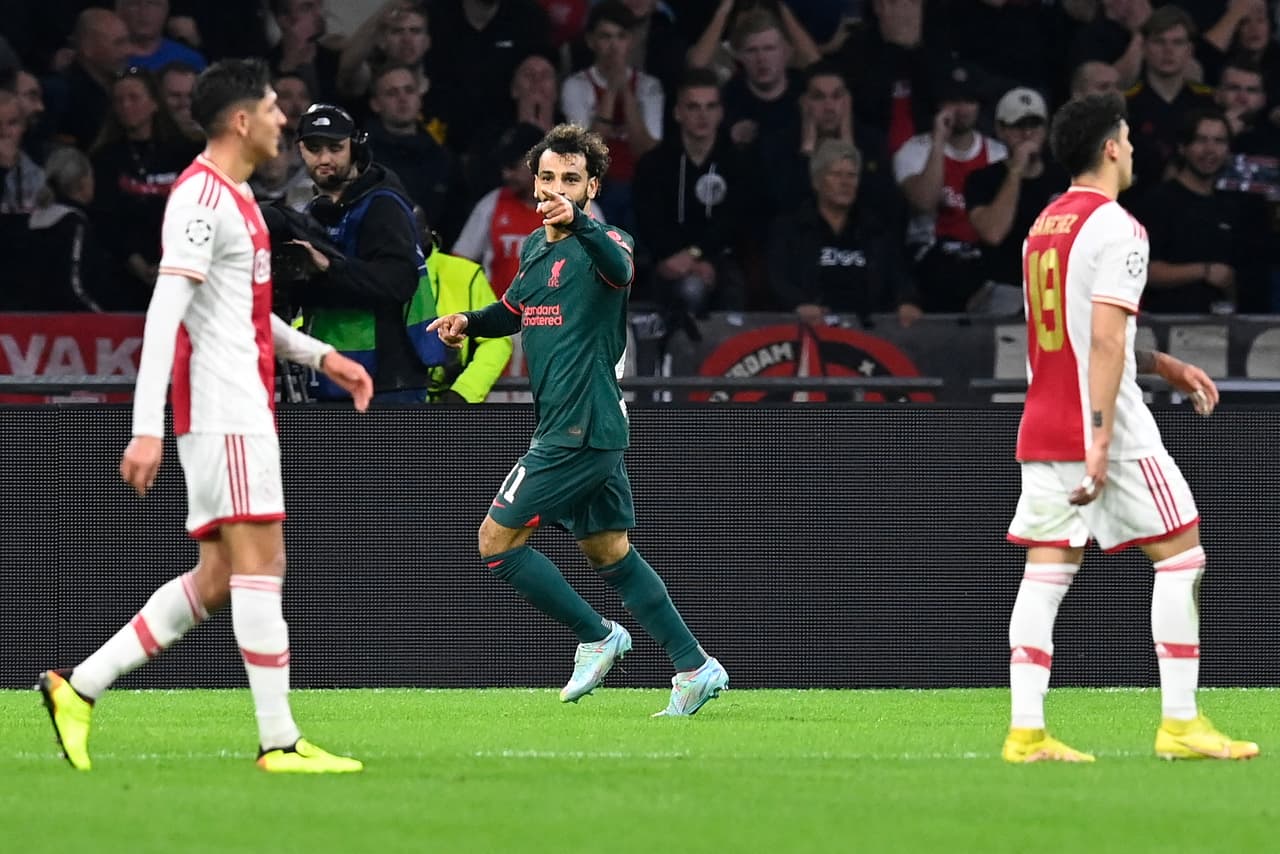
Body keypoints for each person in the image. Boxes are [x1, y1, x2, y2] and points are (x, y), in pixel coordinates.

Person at [37, 58, 372, 774]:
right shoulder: (200, 200)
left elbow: (247, 317)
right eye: (277, 108)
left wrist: (322, 358)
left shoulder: (238, 198)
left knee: (219, 576)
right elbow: (165, 313)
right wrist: (144, 426)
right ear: (243, 120)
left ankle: (77, 688)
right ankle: (278, 741)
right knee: (264, 564)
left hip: (238, 406)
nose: (287, 119)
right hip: (223, 410)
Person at [428, 123, 729, 716]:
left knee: (496, 542)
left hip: (580, 427)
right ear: (533, 182)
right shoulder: (537, 249)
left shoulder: (606, 240)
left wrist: (584, 221)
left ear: (592, 186)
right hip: (574, 425)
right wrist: (470, 321)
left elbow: (620, 267)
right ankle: (695, 666)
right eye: (546, 177)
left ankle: (597, 635)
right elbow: (514, 310)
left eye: (571, 179)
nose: (556, 188)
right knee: (608, 549)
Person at [1002, 93, 1258, 763]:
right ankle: (1180, 722)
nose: (1135, 149)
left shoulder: (1043, 226)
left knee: (1047, 568)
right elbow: (1106, 344)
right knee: (1182, 554)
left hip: (1043, 415)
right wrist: (1103, 435)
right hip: (1105, 419)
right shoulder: (1120, 228)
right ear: (1112, 146)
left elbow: (1074, 334)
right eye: (1128, 138)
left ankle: (1026, 731)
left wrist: (1162, 362)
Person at [281, 103, 436, 402]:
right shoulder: (317, 212)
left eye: (335, 148)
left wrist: (329, 266)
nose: (324, 158)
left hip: (388, 382)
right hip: (338, 375)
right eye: (313, 148)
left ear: (355, 147)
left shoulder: (382, 205)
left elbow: (399, 282)